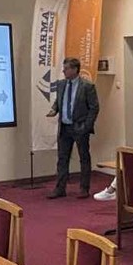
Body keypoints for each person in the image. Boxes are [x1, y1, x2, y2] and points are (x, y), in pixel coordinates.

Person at [46, 56, 98, 199]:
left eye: (66, 68)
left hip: (80, 126)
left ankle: (84, 188)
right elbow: (59, 101)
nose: (63, 71)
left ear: (75, 69)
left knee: (84, 158)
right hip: (64, 127)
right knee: (62, 158)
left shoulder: (87, 86)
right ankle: (60, 188)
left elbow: (94, 108)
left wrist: (87, 126)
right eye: (63, 68)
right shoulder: (61, 84)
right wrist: (54, 109)